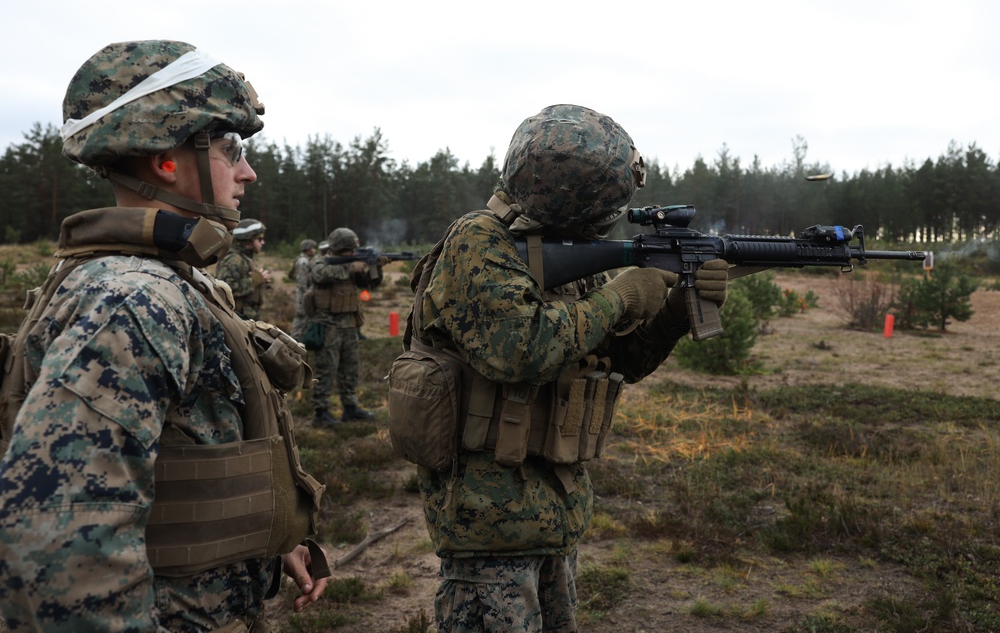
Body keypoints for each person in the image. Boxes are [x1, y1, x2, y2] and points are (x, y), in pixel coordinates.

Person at [0, 40, 330, 632]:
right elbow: (60, 547)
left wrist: (269, 532)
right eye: (232, 148)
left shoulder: (169, 282)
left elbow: (190, 448)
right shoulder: (133, 298)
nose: (248, 171)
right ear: (167, 160)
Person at [401, 104, 729, 632]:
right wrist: (620, 297)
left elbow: (616, 361)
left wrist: (671, 314)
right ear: (577, 197)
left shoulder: (557, 254)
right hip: (489, 526)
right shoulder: (479, 240)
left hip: (551, 512)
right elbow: (518, 348)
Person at [308, 227, 386, 427]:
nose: (352, 254)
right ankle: (321, 411)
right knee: (326, 370)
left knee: (350, 368)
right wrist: (351, 267)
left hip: (349, 325)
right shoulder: (320, 261)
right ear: (338, 248)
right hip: (328, 326)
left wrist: (376, 267)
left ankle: (350, 408)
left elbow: (369, 284)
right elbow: (320, 275)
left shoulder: (352, 263)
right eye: (348, 250)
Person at [215, 217, 273, 320]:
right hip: (237, 318)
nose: (263, 242)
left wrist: (260, 279)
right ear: (248, 240)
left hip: (246, 317)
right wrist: (254, 280)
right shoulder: (234, 260)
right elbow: (224, 289)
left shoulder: (244, 258)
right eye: (259, 239)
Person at [290, 238, 318, 339]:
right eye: (313, 248)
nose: (314, 250)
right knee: (300, 318)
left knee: (304, 320)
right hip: (303, 296)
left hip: (303, 294)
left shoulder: (304, 260)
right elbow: (302, 282)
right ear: (308, 249)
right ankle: (293, 341)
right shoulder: (303, 262)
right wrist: (308, 295)